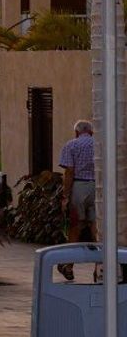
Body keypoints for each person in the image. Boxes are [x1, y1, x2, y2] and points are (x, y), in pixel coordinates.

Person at [59, 119, 98, 281]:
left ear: (76, 132)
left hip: (79, 187)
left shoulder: (71, 145)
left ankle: (68, 265)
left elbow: (69, 171)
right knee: (96, 228)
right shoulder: (100, 144)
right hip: (98, 187)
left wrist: (66, 196)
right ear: (91, 132)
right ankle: (100, 268)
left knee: (76, 226)